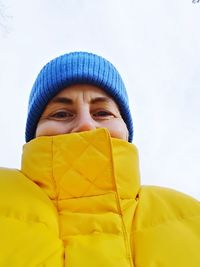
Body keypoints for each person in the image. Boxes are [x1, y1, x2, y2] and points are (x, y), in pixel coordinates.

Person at [0, 51, 199, 267]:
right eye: (61, 114)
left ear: (125, 129)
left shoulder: (192, 214)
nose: (86, 124)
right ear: (34, 133)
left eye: (102, 112)